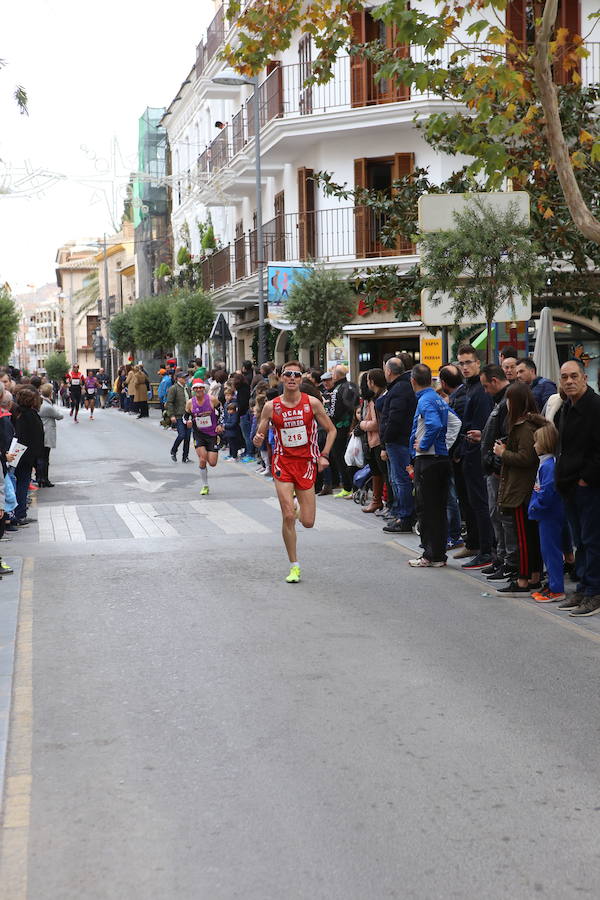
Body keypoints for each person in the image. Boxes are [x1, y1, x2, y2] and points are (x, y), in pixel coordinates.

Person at [253, 360, 336, 583]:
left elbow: (331, 430)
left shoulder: (312, 403)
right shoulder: (272, 406)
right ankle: (294, 565)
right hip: (283, 463)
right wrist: (258, 438)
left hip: (306, 464)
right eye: (288, 374)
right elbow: (259, 436)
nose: (292, 378)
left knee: (308, 522)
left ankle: (298, 506)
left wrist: (324, 454)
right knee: (287, 515)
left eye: (296, 375)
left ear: (301, 379)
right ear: (281, 377)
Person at [554, 359, 600, 616]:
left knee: (592, 540)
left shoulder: (595, 407)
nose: (569, 381)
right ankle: (583, 587)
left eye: (573, 376)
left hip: (589, 486)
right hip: (570, 485)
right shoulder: (567, 407)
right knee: (580, 541)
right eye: (564, 377)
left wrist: (586, 478)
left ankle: (594, 591)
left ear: (584, 378)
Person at [493, 383, 545, 596]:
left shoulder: (524, 427)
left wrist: (502, 453)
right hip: (525, 489)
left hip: (521, 491)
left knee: (524, 538)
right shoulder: (529, 424)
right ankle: (533, 576)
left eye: (509, 399)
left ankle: (524, 579)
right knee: (531, 537)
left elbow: (526, 458)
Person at [407, 363, 450, 568]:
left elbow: (434, 424)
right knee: (439, 509)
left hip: (428, 461)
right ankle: (439, 554)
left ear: (413, 381)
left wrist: (423, 445)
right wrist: (445, 445)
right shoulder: (437, 398)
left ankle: (429, 555)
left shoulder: (425, 400)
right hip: (441, 458)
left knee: (426, 508)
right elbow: (454, 422)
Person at [456, 345, 494, 569]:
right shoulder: (467, 388)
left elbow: (483, 424)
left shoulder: (481, 389)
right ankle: (474, 542)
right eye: (461, 363)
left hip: (478, 453)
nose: (465, 367)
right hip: (467, 453)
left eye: (469, 362)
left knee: (480, 503)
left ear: (478, 363)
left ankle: (486, 550)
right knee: (470, 502)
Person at [478, 364, 515, 582]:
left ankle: (508, 562)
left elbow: (508, 438)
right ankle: (501, 559)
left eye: (485, 386)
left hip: (499, 471)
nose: (485, 391)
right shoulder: (500, 401)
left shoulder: (508, 401)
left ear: (494, 381)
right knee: (497, 516)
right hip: (494, 469)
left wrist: (494, 464)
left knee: (503, 517)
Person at [528, 422, 566, 603]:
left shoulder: (549, 465)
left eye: (536, 442)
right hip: (546, 514)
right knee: (547, 551)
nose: (534, 446)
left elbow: (547, 491)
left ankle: (556, 589)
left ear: (545, 443)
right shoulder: (546, 464)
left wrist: (536, 507)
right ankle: (552, 584)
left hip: (549, 515)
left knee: (551, 552)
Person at [379, 358, 417, 532]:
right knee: (399, 479)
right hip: (399, 440)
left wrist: (386, 438)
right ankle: (403, 514)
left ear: (389, 371)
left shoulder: (399, 388)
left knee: (401, 480)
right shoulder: (400, 386)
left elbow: (395, 417)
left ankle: (405, 517)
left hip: (398, 441)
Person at [439, 364, 466, 550]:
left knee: (451, 496)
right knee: (452, 495)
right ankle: (454, 533)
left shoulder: (459, 399)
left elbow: (457, 425)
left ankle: (454, 535)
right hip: (456, 454)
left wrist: (448, 448)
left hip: (455, 455)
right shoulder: (456, 397)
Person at [11, 387, 44, 526]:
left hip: (17, 454)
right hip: (27, 456)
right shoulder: (31, 416)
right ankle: (20, 514)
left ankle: (17, 512)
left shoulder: (17, 414)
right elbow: (37, 438)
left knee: (17, 483)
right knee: (23, 484)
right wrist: (37, 460)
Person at [185, 380, 223, 495]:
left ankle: (207, 456)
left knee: (212, 462)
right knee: (202, 459)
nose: (198, 390)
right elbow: (185, 416)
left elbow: (222, 411)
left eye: (200, 388)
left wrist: (220, 424)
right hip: (199, 434)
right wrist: (188, 421)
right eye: (195, 388)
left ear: (203, 389)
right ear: (193, 390)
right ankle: (205, 485)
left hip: (212, 434)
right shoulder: (190, 403)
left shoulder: (212, 399)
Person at [358, 368, 387, 513]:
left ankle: (380, 501)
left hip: (376, 440)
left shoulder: (375, 401)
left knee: (383, 472)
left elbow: (376, 423)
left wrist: (362, 424)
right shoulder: (370, 400)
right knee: (377, 471)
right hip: (372, 440)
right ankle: (377, 500)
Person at [327, 365, 358, 498]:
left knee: (339, 456)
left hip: (339, 427)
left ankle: (347, 486)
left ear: (336, 375)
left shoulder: (337, 390)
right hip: (351, 424)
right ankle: (354, 486)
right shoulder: (352, 385)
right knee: (352, 457)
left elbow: (334, 411)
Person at [38, 383, 63, 487]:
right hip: (46, 433)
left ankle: (41, 478)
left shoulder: (42, 403)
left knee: (42, 457)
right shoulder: (47, 406)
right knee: (44, 458)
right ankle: (44, 479)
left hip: (42, 432)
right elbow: (59, 416)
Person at [166, 371, 191, 463]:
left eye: (186, 377)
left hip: (188, 416)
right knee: (182, 435)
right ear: (178, 378)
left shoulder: (188, 388)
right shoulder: (174, 388)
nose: (185, 379)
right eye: (183, 377)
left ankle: (185, 457)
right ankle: (174, 450)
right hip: (179, 415)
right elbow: (169, 402)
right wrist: (171, 415)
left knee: (188, 437)